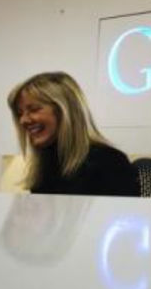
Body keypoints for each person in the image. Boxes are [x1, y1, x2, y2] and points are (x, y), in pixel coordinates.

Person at [8, 72, 140, 197]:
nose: (23, 120)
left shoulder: (109, 162)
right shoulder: (45, 163)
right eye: (20, 113)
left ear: (65, 111)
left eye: (34, 109)